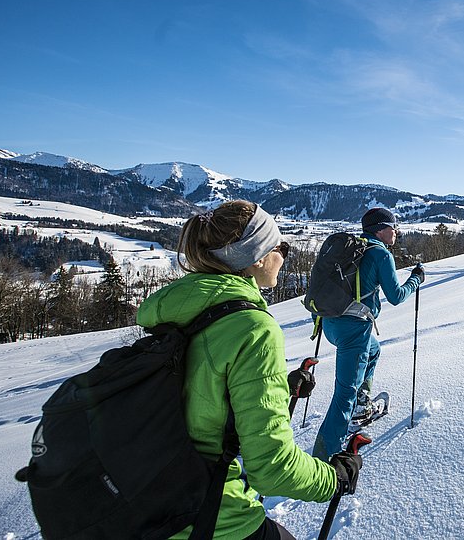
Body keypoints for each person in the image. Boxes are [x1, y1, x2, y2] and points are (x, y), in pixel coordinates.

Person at [136, 200, 361, 540]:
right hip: (210, 516)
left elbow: (200, 396)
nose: (284, 255)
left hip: (148, 503)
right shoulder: (252, 327)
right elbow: (271, 469)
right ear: (255, 256)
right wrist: (334, 477)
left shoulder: (181, 308)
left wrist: (275, 388)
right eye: (280, 246)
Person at [312, 207, 424, 460]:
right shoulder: (380, 254)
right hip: (353, 330)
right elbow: (396, 296)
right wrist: (416, 279)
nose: (396, 232)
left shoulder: (350, 248)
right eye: (393, 227)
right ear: (382, 229)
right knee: (344, 393)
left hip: (328, 322)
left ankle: (361, 406)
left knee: (374, 350)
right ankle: (324, 456)